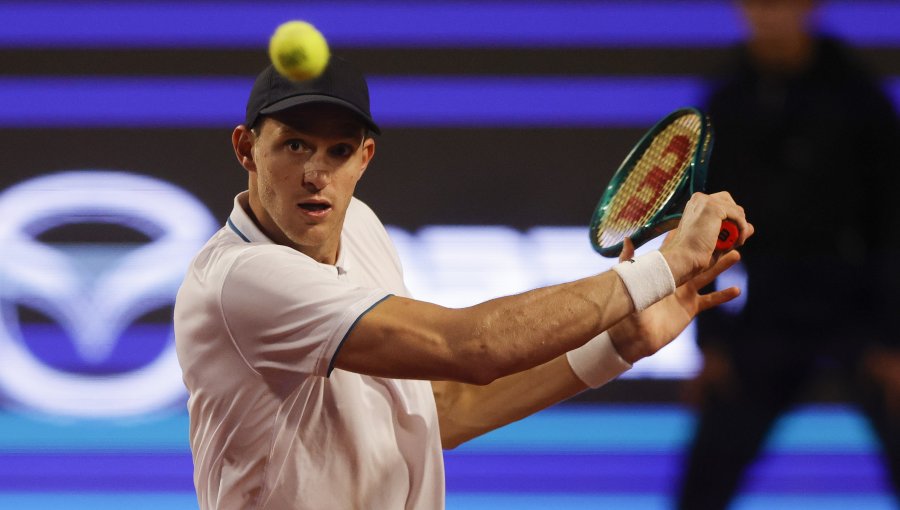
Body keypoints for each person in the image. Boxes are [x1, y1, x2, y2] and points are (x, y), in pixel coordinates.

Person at [173, 54, 753, 510]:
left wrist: (616, 345)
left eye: (339, 150)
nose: (316, 173)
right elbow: (470, 347)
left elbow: (440, 409)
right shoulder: (241, 280)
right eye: (294, 144)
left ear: (365, 158)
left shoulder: (361, 228)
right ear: (246, 148)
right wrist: (663, 268)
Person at [676, 1, 900, 508]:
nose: (770, 13)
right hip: (769, 314)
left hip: (859, 312)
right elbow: (702, 224)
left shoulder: (859, 97)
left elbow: (893, 222)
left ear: (810, 5)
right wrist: (710, 342)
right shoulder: (726, 101)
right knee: (701, 487)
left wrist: (893, 338)